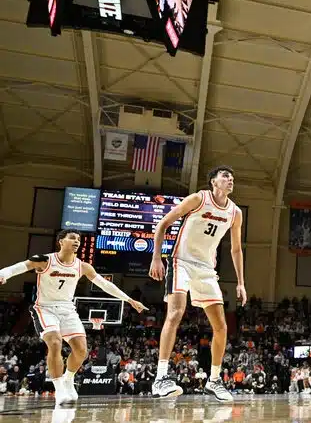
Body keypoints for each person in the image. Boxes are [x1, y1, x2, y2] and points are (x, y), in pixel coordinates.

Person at [0, 229, 147, 406]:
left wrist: (129, 300)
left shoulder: (82, 266)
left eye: (78, 239)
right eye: (72, 238)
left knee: (81, 350)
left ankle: (68, 379)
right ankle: (59, 389)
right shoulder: (45, 260)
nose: (77, 241)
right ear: (61, 241)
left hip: (68, 309)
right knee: (55, 343)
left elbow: (105, 284)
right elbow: (20, 266)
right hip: (45, 308)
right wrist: (3, 274)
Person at [148, 166, 247, 402]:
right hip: (180, 261)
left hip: (205, 269)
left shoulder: (235, 213)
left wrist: (241, 283)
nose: (230, 180)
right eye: (225, 176)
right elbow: (163, 224)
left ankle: (214, 380)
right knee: (175, 313)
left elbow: (236, 249)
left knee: (221, 326)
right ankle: (160, 378)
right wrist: (156, 257)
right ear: (213, 181)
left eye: (232, 177)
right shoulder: (198, 199)